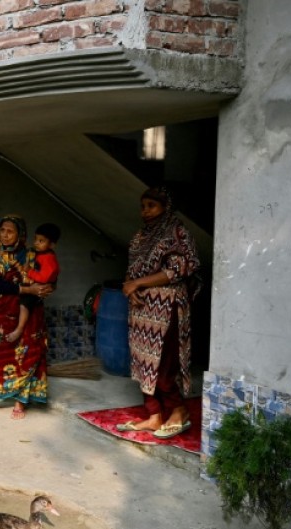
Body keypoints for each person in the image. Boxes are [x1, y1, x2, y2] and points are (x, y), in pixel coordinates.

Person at [117, 187, 201, 439]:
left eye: (152, 206)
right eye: (143, 206)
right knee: (144, 363)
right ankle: (154, 415)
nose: (145, 211)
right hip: (141, 311)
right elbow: (131, 270)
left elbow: (178, 269)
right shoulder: (140, 237)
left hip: (166, 308)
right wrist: (130, 288)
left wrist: (137, 284)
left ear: (166, 207)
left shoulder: (177, 233)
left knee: (164, 366)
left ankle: (178, 410)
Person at [0, 215, 53, 420]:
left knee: (25, 355)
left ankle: (20, 401)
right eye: (2, 230)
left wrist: (44, 289)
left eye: (10, 231)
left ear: (20, 234)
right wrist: (26, 289)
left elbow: (45, 278)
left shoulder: (30, 255)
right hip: (1, 312)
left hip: (27, 312)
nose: (5, 235)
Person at [8, 223, 61, 343]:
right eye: (36, 239)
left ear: (52, 245)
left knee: (25, 304)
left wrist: (29, 272)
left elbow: (44, 278)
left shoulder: (49, 258)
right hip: (34, 284)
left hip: (40, 287)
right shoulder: (40, 253)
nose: (36, 243)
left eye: (41, 241)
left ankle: (19, 329)